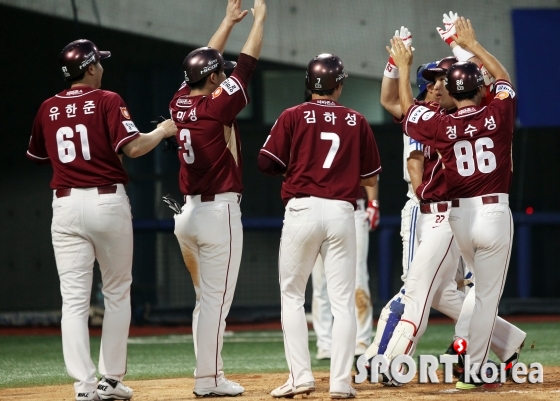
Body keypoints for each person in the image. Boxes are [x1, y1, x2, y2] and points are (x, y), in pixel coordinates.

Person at [359, 25, 525, 388]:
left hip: (457, 215)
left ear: (450, 90)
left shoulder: (442, 124)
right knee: (478, 296)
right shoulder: (495, 115)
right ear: (480, 89)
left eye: (442, 80)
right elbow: (503, 78)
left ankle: (396, 360)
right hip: (490, 211)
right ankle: (476, 368)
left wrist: (403, 66)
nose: (436, 85)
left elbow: (406, 111)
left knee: (426, 291)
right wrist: (469, 45)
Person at [26, 39, 177, 401]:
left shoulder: (48, 107)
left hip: (64, 204)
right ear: (91, 67)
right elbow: (135, 148)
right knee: (116, 293)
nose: (103, 68)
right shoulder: (108, 99)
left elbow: (37, 155)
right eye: (100, 63)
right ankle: (110, 381)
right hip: (105, 200)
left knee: (74, 302)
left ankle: (83, 388)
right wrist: (162, 131)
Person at [259, 53, 381, 399]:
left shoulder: (293, 115)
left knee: (293, 295)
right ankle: (341, 382)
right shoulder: (357, 120)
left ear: (308, 84)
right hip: (344, 211)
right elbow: (370, 176)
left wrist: (298, 165)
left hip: (303, 209)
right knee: (343, 301)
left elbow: (266, 162)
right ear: (339, 85)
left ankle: (301, 378)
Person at [167, 0, 266, 397]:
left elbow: (202, 66)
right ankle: (207, 381)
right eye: (218, 75)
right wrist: (259, 21)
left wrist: (226, 23)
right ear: (213, 81)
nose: (224, 77)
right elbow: (247, 64)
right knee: (216, 305)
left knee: (205, 303)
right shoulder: (217, 107)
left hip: (189, 214)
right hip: (218, 213)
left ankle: (211, 374)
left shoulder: (180, 102)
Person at [312, 184, 379, 360]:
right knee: (320, 281)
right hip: (317, 207)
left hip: (353, 207)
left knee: (358, 278)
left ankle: (361, 340)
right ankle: (324, 343)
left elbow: (371, 175)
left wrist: (373, 203)